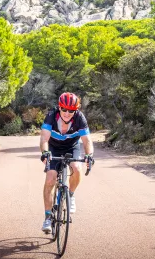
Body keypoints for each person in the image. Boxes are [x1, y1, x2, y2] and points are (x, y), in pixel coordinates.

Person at [39, 92, 94, 234]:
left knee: (76, 167)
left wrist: (89, 155)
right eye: (64, 109)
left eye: (71, 110)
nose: (67, 113)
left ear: (76, 110)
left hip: (72, 147)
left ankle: (70, 194)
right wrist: (45, 153)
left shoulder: (79, 118)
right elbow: (44, 139)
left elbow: (87, 140)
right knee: (50, 179)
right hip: (53, 148)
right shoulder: (51, 116)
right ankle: (47, 217)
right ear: (59, 107)